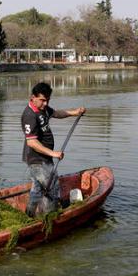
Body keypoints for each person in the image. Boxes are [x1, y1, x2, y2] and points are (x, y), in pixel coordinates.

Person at [21, 82, 86, 217]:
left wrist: (75, 112)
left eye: (48, 100)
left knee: (37, 190)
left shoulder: (43, 109)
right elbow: (32, 142)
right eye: (42, 100)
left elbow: (56, 113)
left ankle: (29, 216)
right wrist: (54, 153)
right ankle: (51, 218)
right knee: (52, 186)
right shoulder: (29, 115)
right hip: (36, 160)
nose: (45, 103)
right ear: (32, 97)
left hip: (45, 158)